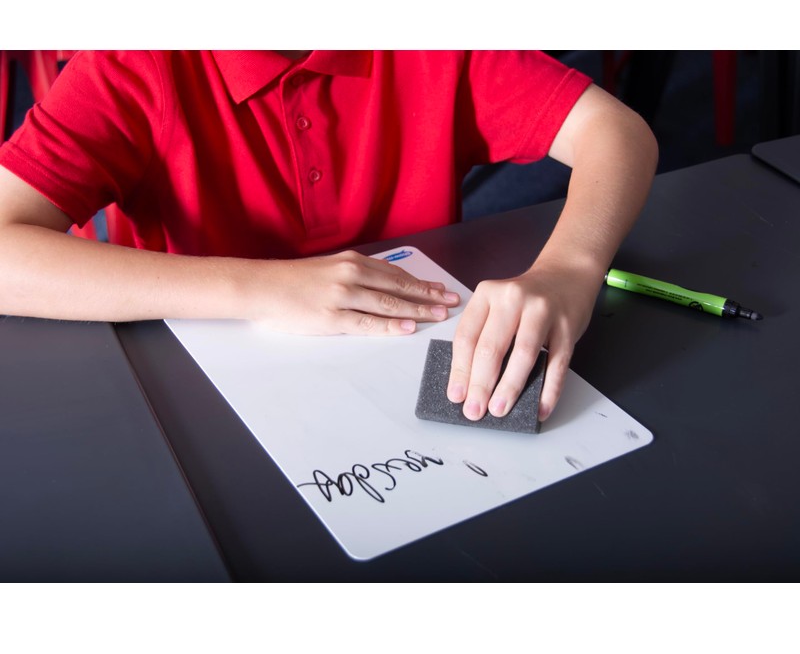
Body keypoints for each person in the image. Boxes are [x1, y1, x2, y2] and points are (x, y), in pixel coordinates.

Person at [0, 50, 657, 423]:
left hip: (408, 363)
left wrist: (570, 268)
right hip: (206, 396)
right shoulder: (134, 63)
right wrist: (265, 288)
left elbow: (615, 131)